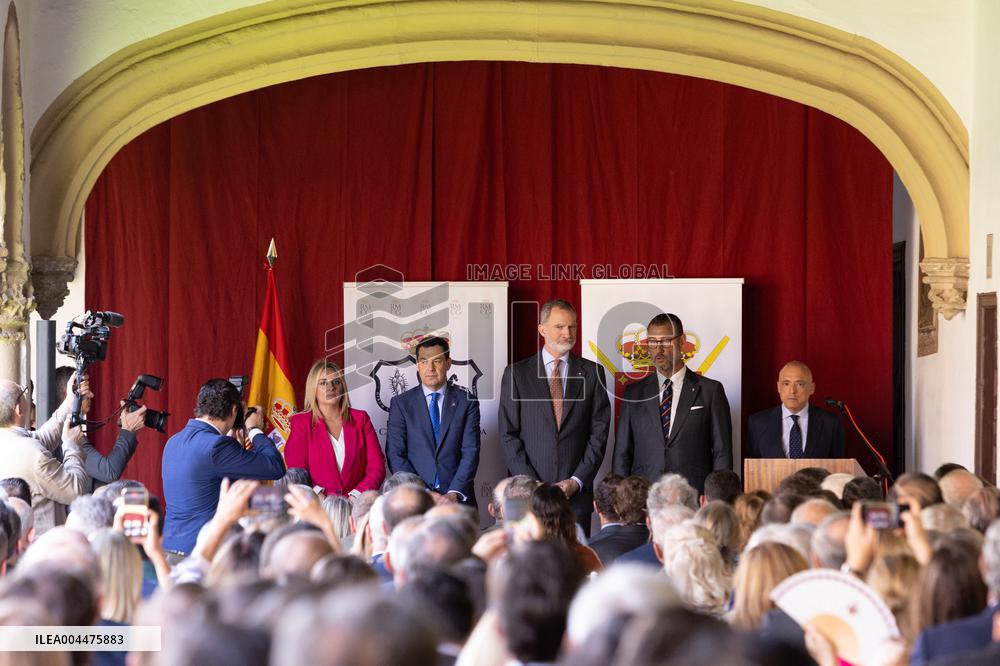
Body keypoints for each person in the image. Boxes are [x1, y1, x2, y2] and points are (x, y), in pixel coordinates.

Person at [499, 299, 610, 533]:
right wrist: (533, 485)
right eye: (559, 327)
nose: (567, 333)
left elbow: (599, 434)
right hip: (529, 498)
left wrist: (576, 481)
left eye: (572, 326)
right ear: (542, 329)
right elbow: (508, 435)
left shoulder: (593, 373)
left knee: (576, 555)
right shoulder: (517, 374)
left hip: (575, 498)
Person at [161, 378, 286, 555]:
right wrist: (254, 429)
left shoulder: (173, 442)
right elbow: (275, 467)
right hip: (202, 551)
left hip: (170, 547)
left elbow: (210, 483)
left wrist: (235, 443)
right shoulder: (217, 446)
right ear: (234, 410)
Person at [613, 312, 732, 494]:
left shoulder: (711, 391)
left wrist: (717, 499)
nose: (658, 350)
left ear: (682, 341)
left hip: (693, 496)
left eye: (666, 341)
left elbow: (722, 453)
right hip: (644, 498)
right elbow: (622, 454)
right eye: (652, 342)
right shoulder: (633, 394)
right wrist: (621, 500)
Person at [387, 336, 481, 505]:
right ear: (417, 364)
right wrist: (423, 493)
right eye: (424, 361)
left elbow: (470, 452)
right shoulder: (401, 404)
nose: (430, 368)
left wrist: (453, 493)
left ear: (448, 363)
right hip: (415, 500)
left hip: (457, 500)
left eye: (437, 361)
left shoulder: (467, 402)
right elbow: (395, 454)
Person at [0, 377, 90, 533]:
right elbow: (75, 490)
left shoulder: (10, 439)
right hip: (41, 541)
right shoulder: (31, 453)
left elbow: (43, 437)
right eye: (23, 393)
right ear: (18, 409)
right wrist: (72, 445)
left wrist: (70, 401)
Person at [284, 359, 386, 498]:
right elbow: (297, 471)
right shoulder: (301, 423)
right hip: (317, 505)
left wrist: (355, 496)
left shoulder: (361, 419)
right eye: (323, 383)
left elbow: (377, 466)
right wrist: (320, 498)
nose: (331, 387)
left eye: (336, 382)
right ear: (313, 389)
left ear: (342, 387)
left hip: (357, 504)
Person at [745, 361, 845, 459]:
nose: (792, 391)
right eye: (786, 383)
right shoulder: (758, 423)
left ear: (812, 388)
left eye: (800, 384)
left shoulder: (831, 424)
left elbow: (838, 467)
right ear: (778, 387)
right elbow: (752, 466)